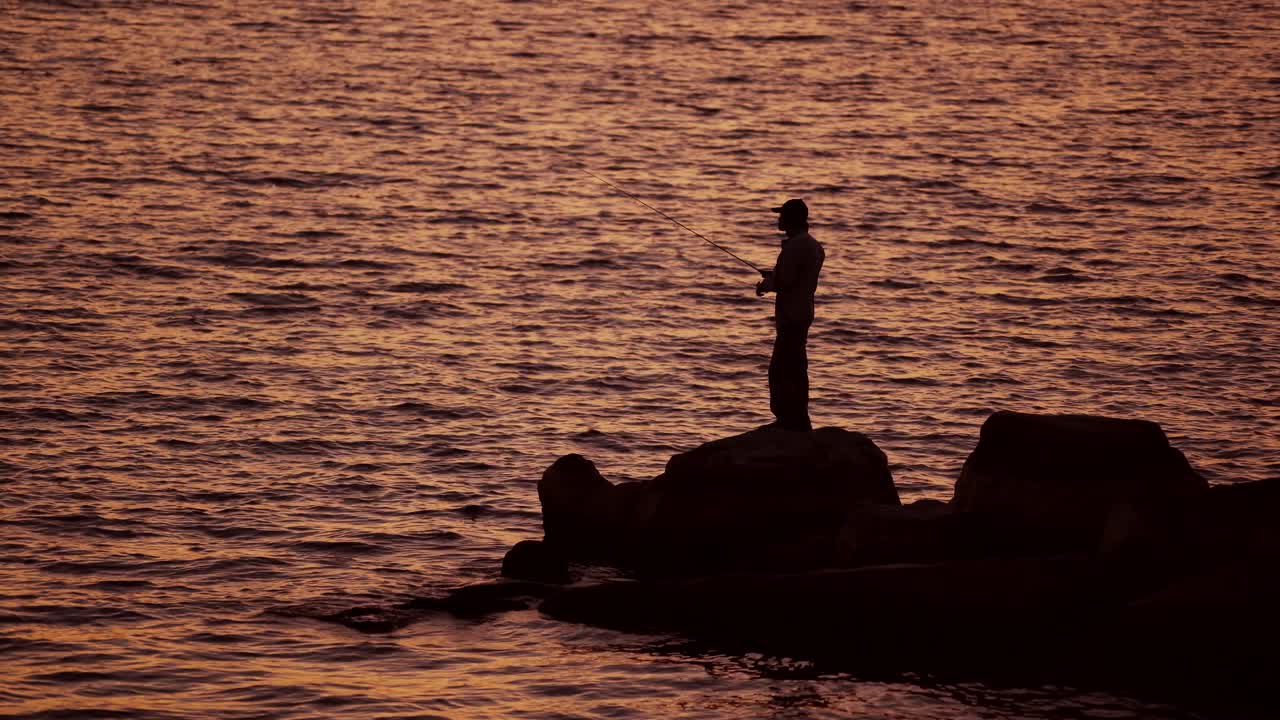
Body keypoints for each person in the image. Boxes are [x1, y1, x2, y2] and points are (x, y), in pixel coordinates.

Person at [755, 199, 825, 431]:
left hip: (792, 316)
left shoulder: (795, 247)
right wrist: (774, 277)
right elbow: (794, 276)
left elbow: (784, 280)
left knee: (781, 369)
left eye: (782, 215)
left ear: (792, 219)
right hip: (803, 312)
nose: (779, 219)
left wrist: (765, 284)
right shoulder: (813, 245)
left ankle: (788, 419)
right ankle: (797, 417)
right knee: (796, 366)